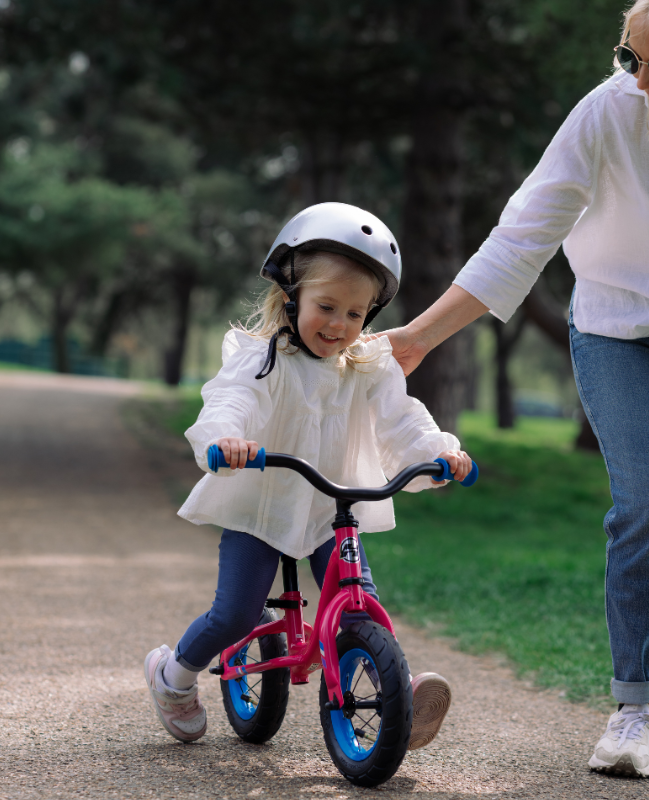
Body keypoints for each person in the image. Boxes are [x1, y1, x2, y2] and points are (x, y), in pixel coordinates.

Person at [382, 0, 649, 780]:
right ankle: (636, 706)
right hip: (620, 333)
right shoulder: (610, 114)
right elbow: (522, 238)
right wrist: (416, 338)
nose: (639, 80)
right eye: (628, 57)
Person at [144, 202, 472, 751]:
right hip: (262, 503)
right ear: (290, 296)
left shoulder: (368, 366)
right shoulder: (263, 358)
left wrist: (439, 451)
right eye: (326, 306)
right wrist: (228, 438)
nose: (339, 325)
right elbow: (230, 400)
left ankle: (397, 696)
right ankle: (172, 675)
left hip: (329, 511)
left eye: (355, 314)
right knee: (238, 612)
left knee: (359, 599)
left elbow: (402, 420)